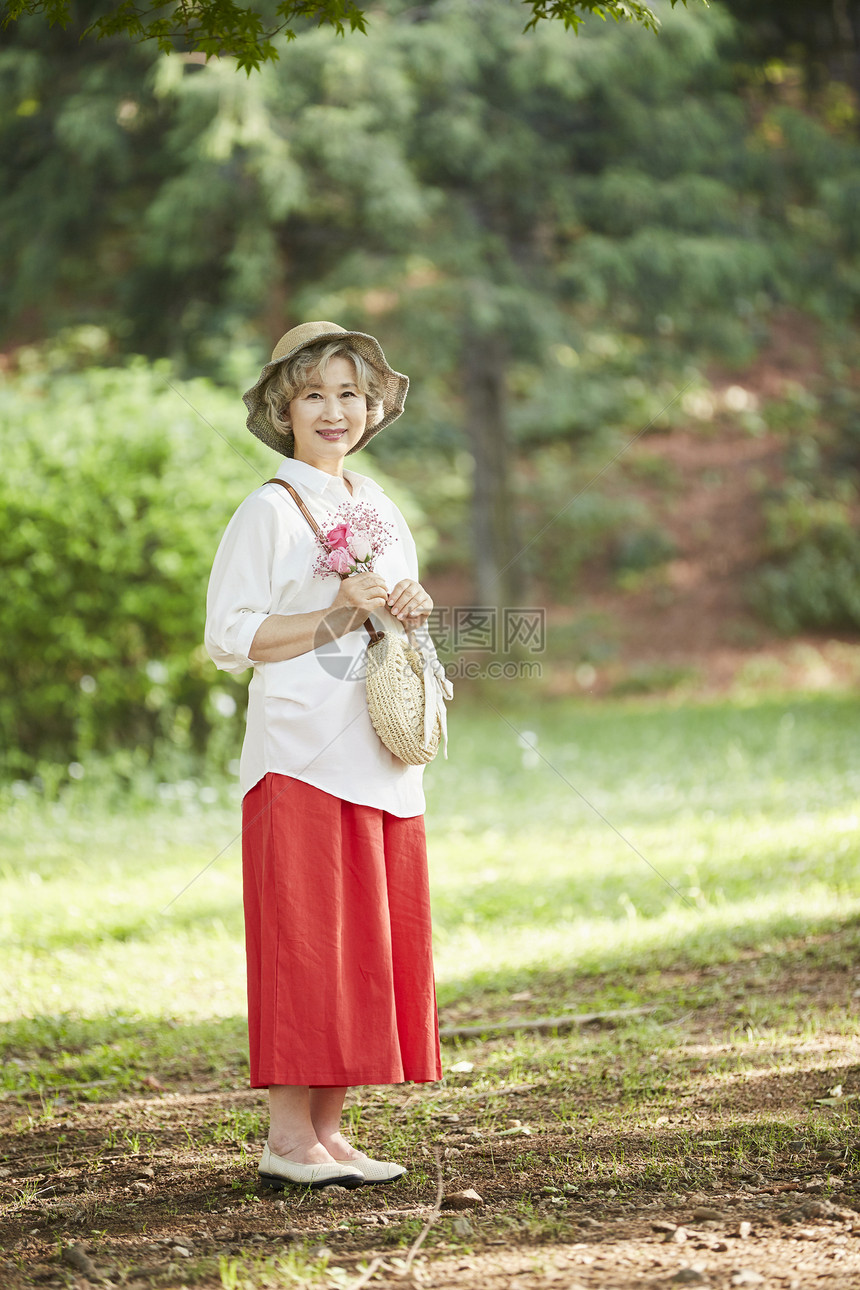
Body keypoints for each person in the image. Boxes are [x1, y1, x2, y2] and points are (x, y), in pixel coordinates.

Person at [205, 321, 442, 1191]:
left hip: (376, 753)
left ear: (372, 407)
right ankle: (286, 1138)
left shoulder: (377, 503)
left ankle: (329, 1135)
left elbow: (391, 624)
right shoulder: (269, 509)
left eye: (350, 393)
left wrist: (406, 605)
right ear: (284, 407)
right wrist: (337, 615)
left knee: (364, 941)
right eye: (314, 394)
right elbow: (230, 638)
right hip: (299, 755)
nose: (334, 410)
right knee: (306, 939)